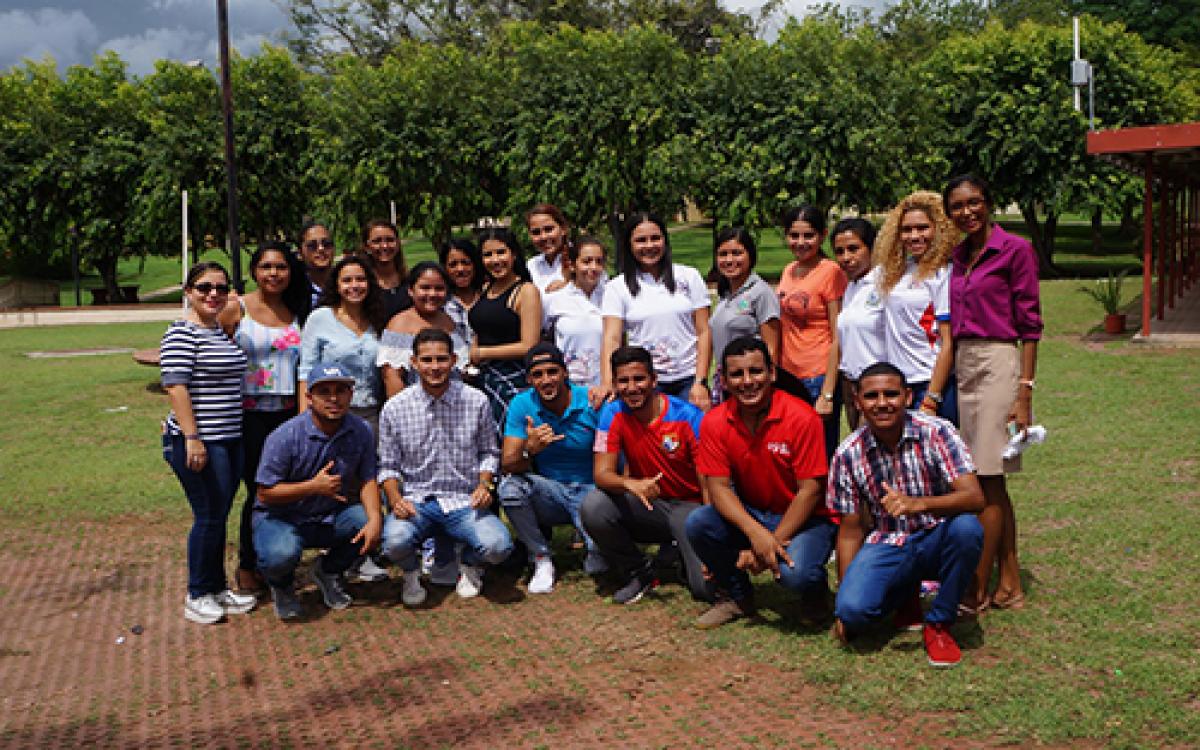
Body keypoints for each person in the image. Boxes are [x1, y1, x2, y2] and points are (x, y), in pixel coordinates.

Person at [828, 362, 984, 668]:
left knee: (967, 529)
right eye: (872, 396)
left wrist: (920, 504)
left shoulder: (937, 431)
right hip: (888, 542)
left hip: (937, 533)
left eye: (891, 394)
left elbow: (975, 497)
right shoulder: (848, 453)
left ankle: (939, 623)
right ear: (858, 402)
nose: (882, 403)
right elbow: (849, 530)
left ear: (908, 397)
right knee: (854, 610)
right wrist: (842, 605)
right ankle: (904, 594)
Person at [686, 336, 835, 628]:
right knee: (699, 523)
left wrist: (769, 544)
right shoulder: (715, 421)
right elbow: (717, 487)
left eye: (755, 371)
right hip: (755, 512)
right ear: (724, 381)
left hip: (807, 518)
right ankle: (736, 597)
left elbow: (810, 491)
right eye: (737, 374)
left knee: (798, 574)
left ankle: (814, 592)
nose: (747, 381)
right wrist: (756, 534)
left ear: (772, 374)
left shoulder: (803, 418)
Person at [944, 174, 1042, 613]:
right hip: (964, 365)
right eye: (958, 206)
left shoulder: (1015, 250)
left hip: (998, 362)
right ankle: (1010, 578)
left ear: (989, 203)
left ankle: (979, 586)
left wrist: (1025, 391)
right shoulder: (957, 256)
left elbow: (1030, 326)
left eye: (975, 202)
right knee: (988, 477)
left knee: (987, 478)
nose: (967, 212)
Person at [379, 328, 514, 606]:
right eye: (426, 360)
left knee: (498, 547)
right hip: (417, 500)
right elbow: (388, 466)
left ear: (454, 360)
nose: (435, 367)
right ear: (413, 362)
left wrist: (484, 484)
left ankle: (468, 564)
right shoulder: (394, 408)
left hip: (464, 500)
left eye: (441, 359)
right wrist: (394, 498)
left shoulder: (476, 401)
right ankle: (412, 573)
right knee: (393, 541)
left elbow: (489, 452)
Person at [160, 261, 256, 624]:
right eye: (203, 288)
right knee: (208, 516)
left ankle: (215, 588)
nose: (212, 294)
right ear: (188, 292)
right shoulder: (182, 333)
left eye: (220, 288)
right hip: (201, 441)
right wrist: (192, 438)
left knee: (219, 516)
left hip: (229, 437)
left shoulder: (219, 331)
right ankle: (197, 592)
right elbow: (175, 385)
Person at [253, 363, 384, 621]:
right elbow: (265, 493)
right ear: (309, 397)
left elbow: (368, 477)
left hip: (329, 515)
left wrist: (376, 519)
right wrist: (312, 487)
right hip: (282, 517)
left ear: (351, 394)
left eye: (341, 391)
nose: (333, 399)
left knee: (368, 523)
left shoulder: (360, 431)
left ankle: (329, 571)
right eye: (324, 392)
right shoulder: (285, 436)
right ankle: (282, 586)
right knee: (279, 554)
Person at [581, 346, 711, 605]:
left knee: (705, 590)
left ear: (654, 380)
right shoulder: (612, 413)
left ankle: (680, 553)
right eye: (623, 381)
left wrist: (712, 529)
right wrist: (630, 484)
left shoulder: (687, 416)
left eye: (639, 379)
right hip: (650, 504)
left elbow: (708, 480)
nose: (632, 388)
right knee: (594, 506)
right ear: (615, 384)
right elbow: (602, 474)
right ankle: (638, 571)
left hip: (690, 508)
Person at [219, 242, 310, 595]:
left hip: (286, 414)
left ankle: (275, 560)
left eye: (282, 267)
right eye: (267, 267)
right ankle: (247, 565)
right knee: (259, 491)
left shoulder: (295, 310)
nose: (274, 273)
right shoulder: (235, 308)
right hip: (247, 415)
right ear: (255, 271)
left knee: (285, 489)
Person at [498, 343, 606, 594]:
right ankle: (541, 557)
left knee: (602, 563)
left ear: (565, 373)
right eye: (538, 374)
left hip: (592, 492)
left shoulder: (591, 402)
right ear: (529, 379)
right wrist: (530, 450)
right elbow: (508, 463)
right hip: (550, 492)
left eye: (552, 372)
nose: (546, 380)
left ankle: (596, 547)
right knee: (510, 489)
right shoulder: (521, 405)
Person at [600, 211, 712, 412]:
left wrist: (701, 381)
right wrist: (609, 382)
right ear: (629, 245)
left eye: (655, 238)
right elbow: (612, 339)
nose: (649, 246)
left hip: (688, 379)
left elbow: (703, 332)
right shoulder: (617, 287)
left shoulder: (689, 276)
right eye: (641, 240)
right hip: (644, 384)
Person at [874, 191, 959, 423]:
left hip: (930, 383)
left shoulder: (942, 273)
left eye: (922, 228)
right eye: (906, 230)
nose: (914, 236)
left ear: (938, 229)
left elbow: (948, 341)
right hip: (899, 382)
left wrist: (932, 398)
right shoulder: (897, 272)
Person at [776, 206, 847, 461]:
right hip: (789, 375)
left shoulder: (831, 272)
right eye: (794, 235)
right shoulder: (788, 271)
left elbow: (838, 333)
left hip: (817, 376)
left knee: (819, 454)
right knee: (792, 451)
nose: (800, 242)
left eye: (808, 236)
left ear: (822, 235)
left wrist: (827, 392)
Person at [299, 255, 388, 435]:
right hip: (329, 414)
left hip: (371, 414)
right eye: (347, 280)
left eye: (360, 279)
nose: (354, 285)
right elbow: (306, 372)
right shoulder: (320, 318)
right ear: (337, 286)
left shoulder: (378, 319)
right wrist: (305, 422)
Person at [468, 227, 542, 425]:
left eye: (501, 252)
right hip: (483, 378)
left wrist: (482, 353)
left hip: (513, 380)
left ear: (514, 254)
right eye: (488, 255)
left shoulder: (525, 291)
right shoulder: (486, 289)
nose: (495, 260)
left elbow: (529, 345)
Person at [708, 227, 780, 404]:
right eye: (723, 254)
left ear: (750, 255)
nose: (729, 260)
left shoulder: (760, 293)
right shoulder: (726, 294)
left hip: (749, 384)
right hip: (727, 380)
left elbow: (772, 348)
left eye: (737, 253)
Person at [377, 261, 469, 398]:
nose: (432, 294)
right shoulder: (399, 324)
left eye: (439, 288)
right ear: (411, 290)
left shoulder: (450, 321)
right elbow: (392, 377)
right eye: (425, 288)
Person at [831, 217, 883, 430]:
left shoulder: (885, 285)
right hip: (851, 383)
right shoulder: (852, 286)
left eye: (853, 249)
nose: (846, 258)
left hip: (876, 383)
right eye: (840, 251)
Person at [541, 236, 607, 389]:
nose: (594, 267)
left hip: (605, 387)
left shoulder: (612, 296)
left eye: (599, 261)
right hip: (568, 389)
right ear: (572, 265)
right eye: (587, 261)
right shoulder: (553, 299)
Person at [358, 218, 413, 321]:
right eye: (377, 241)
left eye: (390, 240)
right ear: (367, 247)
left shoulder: (411, 280)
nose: (384, 246)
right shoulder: (362, 284)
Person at [439, 238, 484, 353]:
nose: (460, 269)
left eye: (466, 263)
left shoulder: (489, 296)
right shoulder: (440, 303)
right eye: (453, 265)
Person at [524, 203, 572, 294]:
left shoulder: (581, 258)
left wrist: (569, 285)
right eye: (536, 232)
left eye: (549, 229)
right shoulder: (531, 266)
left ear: (563, 229)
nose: (543, 237)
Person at [298, 221, 336, 307]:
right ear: (300, 253)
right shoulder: (294, 291)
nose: (321, 249)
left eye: (326, 244)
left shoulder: (348, 285)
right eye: (312, 245)